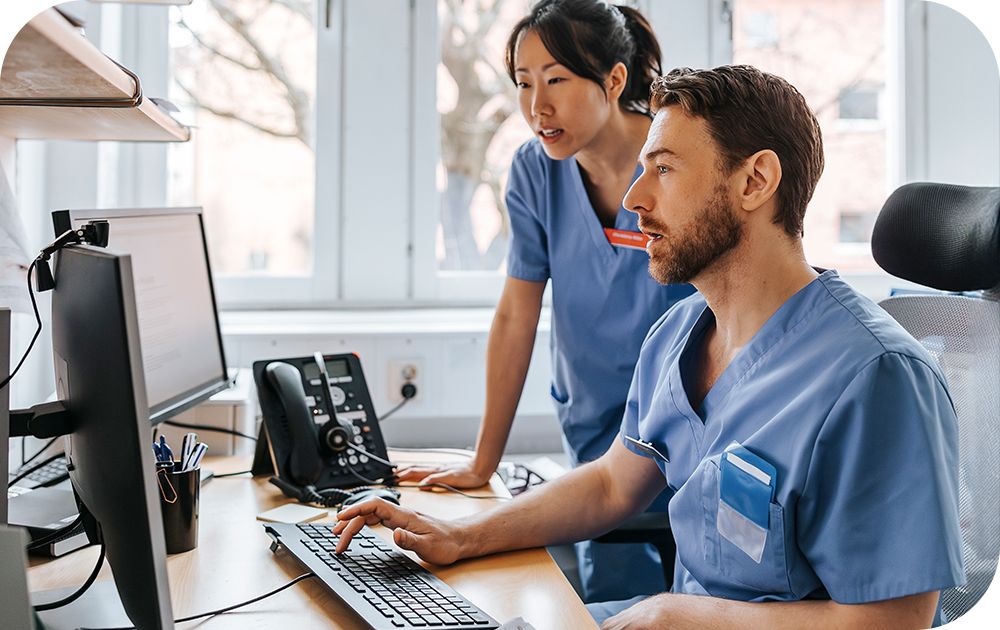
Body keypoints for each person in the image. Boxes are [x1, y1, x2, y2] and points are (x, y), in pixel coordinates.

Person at [337, 64, 965, 629]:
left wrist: (681, 615)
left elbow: (892, 622)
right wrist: (460, 536)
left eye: (663, 169)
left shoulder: (878, 377)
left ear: (755, 181)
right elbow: (614, 484)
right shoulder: (680, 334)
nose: (635, 200)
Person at [396, 0, 693, 602]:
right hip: (594, 424)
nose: (537, 106)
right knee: (606, 598)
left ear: (614, 79)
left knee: (697, 591)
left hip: (690, 423)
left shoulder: (681, 163)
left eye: (556, 79)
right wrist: (483, 462)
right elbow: (516, 314)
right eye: (524, 83)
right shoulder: (536, 171)